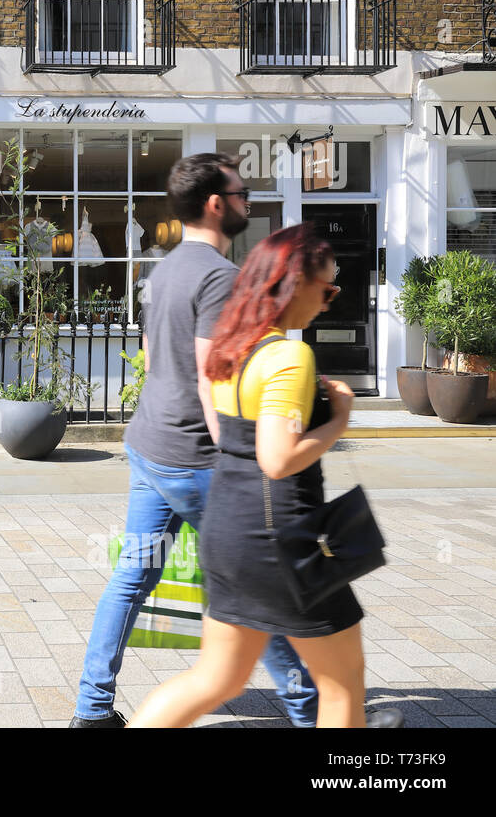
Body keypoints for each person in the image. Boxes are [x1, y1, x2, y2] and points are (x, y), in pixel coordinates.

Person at [70, 152, 320, 729]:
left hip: (150, 444)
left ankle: (92, 709)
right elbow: (214, 378)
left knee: (133, 576)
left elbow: (156, 360)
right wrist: (239, 463)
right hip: (196, 459)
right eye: (241, 192)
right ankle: (317, 713)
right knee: (257, 581)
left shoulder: (163, 269)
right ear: (216, 204)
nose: (248, 202)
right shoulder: (218, 277)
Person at [129, 224, 396, 729]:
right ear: (293, 285)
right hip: (284, 543)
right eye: (328, 289)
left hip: (226, 532)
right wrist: (339, 418)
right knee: (342, 684)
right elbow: (277, 459)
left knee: (215, 680)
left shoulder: (231, 348)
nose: (329, 303)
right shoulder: (289, 356)